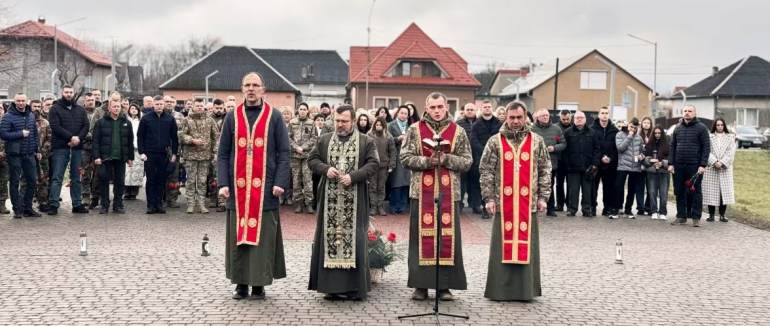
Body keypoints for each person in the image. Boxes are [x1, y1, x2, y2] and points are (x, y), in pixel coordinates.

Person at [217, 72, 290, 300]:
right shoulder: (232, 117)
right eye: (247, 85)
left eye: (255, 85)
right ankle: (240, 284)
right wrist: (223, 182)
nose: (251, 88)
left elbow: (284, 152)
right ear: (242, 89)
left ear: (262, 89)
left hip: (266, 189)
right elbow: (223, 153)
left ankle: (259, 284)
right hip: (237, 190)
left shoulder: (274, 116)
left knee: (263, 239)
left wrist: (280, 182)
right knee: (238, 239)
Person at [401, 92, 472, 301]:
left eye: (440, 107)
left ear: (447, 107)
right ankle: (421, 285)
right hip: (420, 194)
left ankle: (444, 287)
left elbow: (467, 161)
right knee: (420, 240)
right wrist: (427, 162)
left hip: (449, 195)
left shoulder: (458, 131)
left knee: (446, 240)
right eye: (432, 107)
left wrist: (446, 159)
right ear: (426, 108)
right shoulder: (414, 129)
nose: (437, 111)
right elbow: (404, 158)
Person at [480, 101, 551, 301]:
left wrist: (543, 197)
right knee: (501, 247)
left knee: (527, 246)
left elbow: (545, 169)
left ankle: (525, 291)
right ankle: (499, 290)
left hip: (528, 205)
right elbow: (486, 170)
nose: (516, 121)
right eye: (512, 118)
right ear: (505, 118)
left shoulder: (536, 141)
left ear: (526, 117)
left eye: (519, 117)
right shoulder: (495, 141)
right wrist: (489, 198)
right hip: (503, 205)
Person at [307, 104, 379, 300]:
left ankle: (355, 288)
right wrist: (325, 169)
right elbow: (311, 160)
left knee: (356, 239)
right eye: (337, 121)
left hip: (356, 199)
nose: (340, 124)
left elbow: (374, 163)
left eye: (344, 121)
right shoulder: (324, 139)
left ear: (354, 121)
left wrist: (354, 176)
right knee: (330, 238)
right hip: (329, 198)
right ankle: (331, 287)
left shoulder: (366, 141)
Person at [47, 85, 90, 215]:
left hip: (77, 148)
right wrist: (71, 137)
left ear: (73, 93)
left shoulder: (80, 109)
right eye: (66, 92)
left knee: (76, 178)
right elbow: (55, 126)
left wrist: (78, 138)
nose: (69, 94)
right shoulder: (55, 109)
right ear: (62, 93)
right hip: (60, 147)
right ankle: (53, 204)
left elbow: (86, 125)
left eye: (71, 92)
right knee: (57, 177)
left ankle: (77, 204)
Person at [0, 93, 42, 218]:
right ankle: (17, 209)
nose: (21, 103)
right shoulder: (8, 116)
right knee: (14, 182)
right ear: (14, 102)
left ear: (26, 101)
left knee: (32, 181)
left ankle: (27, 207)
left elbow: (35, 134)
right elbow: (3, 134)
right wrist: (20, 134)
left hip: (29, 154)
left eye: (23, 100)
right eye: (18, 100)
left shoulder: (30, 115)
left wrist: (37, 150)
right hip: (14, 155)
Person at [669, 105, 710, 227]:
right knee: (679, 190)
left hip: (694, 165)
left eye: (690, 111)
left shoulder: (702, 128)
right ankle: (681, 216)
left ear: (695, 113)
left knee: (695, 191)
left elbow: (706, 147)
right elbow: (672, 146)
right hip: (679, 164)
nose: (687, 113)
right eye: (685, 111)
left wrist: (702, 165)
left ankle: (696, 217)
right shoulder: (677, 128)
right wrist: (671, 163)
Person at [137, 95, 179, 214]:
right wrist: (141, 152)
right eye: (157, 104)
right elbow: (140, 136)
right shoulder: (146, 118)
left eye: (161, 104)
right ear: (153, 105)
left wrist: (174, 154)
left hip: (163, 154)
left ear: (163, 105)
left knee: (161, 180)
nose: (159, 106)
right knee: (151, 179)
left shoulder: (170, 119)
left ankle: (159, 204)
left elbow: (174, 138)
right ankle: (150, 205)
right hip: (149, 154)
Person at [91, 100, 134, 214]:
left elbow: (130, 141)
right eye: (114, 106)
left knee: (120, 182)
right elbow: (95, 141)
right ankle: (104, 205)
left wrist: (130, 157)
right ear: (109, 108)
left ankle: (118, 205)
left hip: (120, 157)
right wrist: (96, 156)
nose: (116, 108)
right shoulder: (100, 122)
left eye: (118, 106)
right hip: (105, 157)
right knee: (104, 181)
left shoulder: (126, 122)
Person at [179, 99, 219, 214]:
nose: (200, 107)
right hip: (190, 156)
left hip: (205, 156)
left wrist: (215, 152)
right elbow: (181, 135)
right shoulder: (186, 120)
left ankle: (201, 204)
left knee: (202, 181)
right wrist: (192, 140)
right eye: (197, 106)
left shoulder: (210, 120)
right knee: (191, 181)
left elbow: (216, 137)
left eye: (201, 106)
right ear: (193, 107)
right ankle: (190, 204)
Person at [470, 100, 503, 219]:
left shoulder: (500, 123)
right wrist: (485, 151)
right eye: (485, 107)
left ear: (492, 109)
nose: (487, 108)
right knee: (484, 184)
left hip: (498, 157)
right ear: (481, 109)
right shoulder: (476, 125)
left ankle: (498, 208)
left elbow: (503, 138)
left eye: (489, 107)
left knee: (497, 183)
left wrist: (495, 151)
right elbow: (473, 140)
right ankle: (485, 208)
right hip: (481, 158)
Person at [563, 111, 601, 217]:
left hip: (588, 167)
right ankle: (572, 209)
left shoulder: (592, 132)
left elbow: (597, 149)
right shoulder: (568, 132)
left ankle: (586, 209)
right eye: (577, 118)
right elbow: (565, 150)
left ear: (585, 119)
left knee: (587, 190)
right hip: (573, 167)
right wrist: (567, 165)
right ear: (573, 119)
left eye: (581, 117)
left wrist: (594, 164)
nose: (579, 119)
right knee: (573, 190)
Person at [531, 108, 566, 217]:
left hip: (551, 162)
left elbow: (563, 144)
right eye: (543, 115)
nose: (546, 117)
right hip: (534, 163)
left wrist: (554, 148)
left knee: (549, 185)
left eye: (547, 115)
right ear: (537, 117)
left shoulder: (556, 129)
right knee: (533, 186)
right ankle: (533, 208)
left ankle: (550, 209)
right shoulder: (531, 129)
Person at [19, 100, 51, 213]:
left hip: (42, 156)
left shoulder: (45, 122)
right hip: (27, 155)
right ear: (30, 107)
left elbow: (50, 139)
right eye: (34, 106)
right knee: (25, 180)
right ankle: (22, 203)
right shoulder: (24, 121)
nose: (36, 108)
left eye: (38, 106)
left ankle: (42, 202)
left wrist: (42, 151)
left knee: (43, 179)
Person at [704, 118, 735, 223]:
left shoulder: (730, 137)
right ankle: (711, 215)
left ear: (724, 126)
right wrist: (714, 161)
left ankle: (722, 214)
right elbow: (706, 151)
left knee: (723, 193)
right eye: (718, 125)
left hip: (724, 169)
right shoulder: (709, 137)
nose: (720, 127)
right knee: (711, 192)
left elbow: (731, 152)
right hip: (712, 168)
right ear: (715, 126)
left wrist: (722, 162)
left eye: (721, 125)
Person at [288, 102, 318, 214]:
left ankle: (309, 203)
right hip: (295, 156)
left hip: (307, 156)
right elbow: (288, 137)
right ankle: (299, 203)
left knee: (307, 180)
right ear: (298, 110)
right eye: (300, 109)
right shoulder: (292, 122)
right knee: (296, 180)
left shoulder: (311, 123)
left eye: (304, 109)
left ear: (307, 111)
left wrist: (303, 147)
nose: (302, 111)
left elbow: (314, 138)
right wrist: (296, 147)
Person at [589, 107, 619, 217]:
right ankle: (592, 207)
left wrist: (611, 158)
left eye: (606, 113)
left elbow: (617, 148)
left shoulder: (615, 130)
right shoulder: (592, 129)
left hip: (610, 164)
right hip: (596, 163)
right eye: (602, 113)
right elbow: (591, 146)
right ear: (599, 115)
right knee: (593, 187)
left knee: (609, 188)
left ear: (609, 115)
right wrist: (601, 157)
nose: (604, 115)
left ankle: (607, 208)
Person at [614, 118, 645, 219]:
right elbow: (620, 148)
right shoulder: (620, 134)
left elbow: (643, 151)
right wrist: (629, 137)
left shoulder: (639, 138)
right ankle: (615, 209)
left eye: (635, 128)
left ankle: (628, 209)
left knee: (632, 190)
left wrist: (641, 156)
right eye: (631, 127)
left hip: (635, 167)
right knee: (618, 187)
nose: (633, 129)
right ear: (628, 125)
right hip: (623, 165)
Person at [367, 117, 396, 216]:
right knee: (372, 186)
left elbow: (392, 151)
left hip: (384, 165)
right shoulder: (369, 135)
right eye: (377, 125)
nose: (378, 127)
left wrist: (391, 165)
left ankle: (380, 206)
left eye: (380, 125)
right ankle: (373, 206)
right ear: (374, 125)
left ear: (384, 126)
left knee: (381, 187)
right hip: (372, 165)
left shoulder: (388, 136)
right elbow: (365, 150)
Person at [387, 105, 411, 214]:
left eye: (406, 113)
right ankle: (393, 206)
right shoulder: (391, 125)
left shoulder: (411, 126)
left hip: (407, 156)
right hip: (396, 155)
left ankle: (402, 206)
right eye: (402, 113)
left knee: (406, 182)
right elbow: (387, 139)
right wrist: (398, 138)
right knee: (396, 182)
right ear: (397, 113)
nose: (403, 115)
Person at [642, 125, 670, 220]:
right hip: (652, 171)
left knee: (663, 193)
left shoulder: (667, 144)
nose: (657, 135)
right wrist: (650, 160)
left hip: (664, 172)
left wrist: (662, 163)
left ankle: (663, 212)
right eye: (655, 133)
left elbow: (671, 159)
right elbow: (644, 158)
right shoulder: (649, 144)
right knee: (652, 192)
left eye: (659, 133)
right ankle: (653, 211)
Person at [82, 92, 104, 209]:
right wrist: (90, 136)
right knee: (85, 173)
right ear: (84, 101)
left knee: (97, 174)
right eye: (88, 100)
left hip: (98, 148)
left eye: (92, 100)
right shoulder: (81, 113)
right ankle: (85, 196)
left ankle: (96, 196)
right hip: (85, 147)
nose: (91, 102)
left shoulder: (99, 112)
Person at [456, 103, 479, 213]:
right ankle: (459, 204)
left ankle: (475, 204)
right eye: (468, 109)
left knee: (475, 182)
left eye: (472, 109)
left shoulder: (479, 123)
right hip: (462, 157)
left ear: (475, 111)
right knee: (461, 182)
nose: (470, 111)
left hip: (475, 156)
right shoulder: (458, 124)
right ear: (464, 111)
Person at [163, 95, 185, 208]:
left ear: (175, 103)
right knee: (161, 174)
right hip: (161, 150)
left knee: (174, 175)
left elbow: (183, 134)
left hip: (175, 150)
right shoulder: (159, 115)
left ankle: (172, 199)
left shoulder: (180, 116)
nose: (169, 103)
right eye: (167, 101)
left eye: (171, 101)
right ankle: (160, 197)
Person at [207, 99, 227, 212]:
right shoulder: (208, 118)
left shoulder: (227, 117)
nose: (219, 110)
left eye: (221, 108)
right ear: (213, 107)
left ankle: (222, 202)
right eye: (217, 108)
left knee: (220, 176)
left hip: (223, 150)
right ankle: (213, 198)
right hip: (211, 151)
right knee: (212, 177)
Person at [124, 103, 143, 200]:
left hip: (138, 147)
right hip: (127, 147)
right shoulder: (125, 120)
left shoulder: (141, 121)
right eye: (132, 108)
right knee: (127, 171)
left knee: (137, 171)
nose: (134, 110)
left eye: (135, 108)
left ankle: (134, 193)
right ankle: (126, 192)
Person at [555, 110, 573, 211]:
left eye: (567, 119)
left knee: (571, 184)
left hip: (571, 160)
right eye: (563, 119)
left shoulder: (574, 127)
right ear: (560, 118)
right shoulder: (556, 128)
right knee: (559, 183)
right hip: (560, 159)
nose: (566, 121)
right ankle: (560, 204)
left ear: (571, 117)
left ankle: (570, 204)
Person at [278, 106, 294, 206]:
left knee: (290, 177)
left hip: (292, 153)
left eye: (288, 114)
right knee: (281, 174)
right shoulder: (278, 124)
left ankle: (289, 196)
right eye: (284, 114)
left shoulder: (294, 125)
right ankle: (281, 196)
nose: (286, 116)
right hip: (280, 154)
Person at [639, 116, 654, 215]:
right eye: (645, 122)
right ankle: (640, 207)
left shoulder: (653, 135)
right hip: (639, 165)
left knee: (650, 188)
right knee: (640, 187)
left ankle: (648, 207)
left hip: (649, 164)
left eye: (648, 123)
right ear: (642, 123)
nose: (646, 124)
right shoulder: (638, 135)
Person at [0, 106, 9, 215]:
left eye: (1, 108)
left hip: (5, 157)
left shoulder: (7, 123)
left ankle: (2, 204)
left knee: (3, 181)